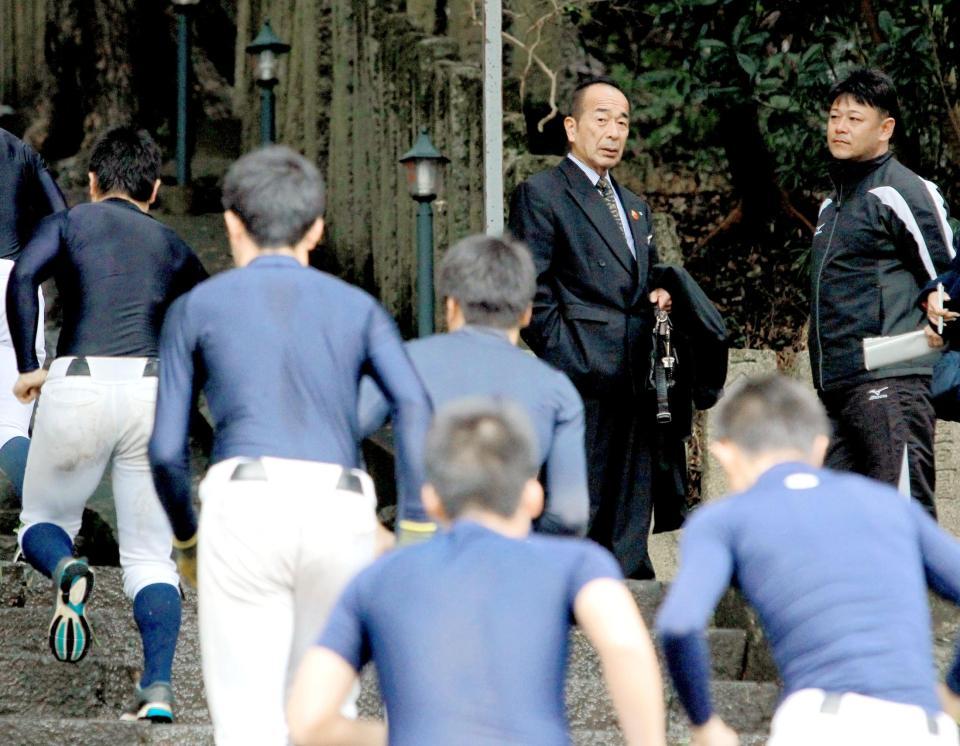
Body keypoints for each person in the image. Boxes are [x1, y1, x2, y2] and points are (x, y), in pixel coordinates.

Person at [148, 145, 432, 745]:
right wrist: (412, 532)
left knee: (249, 720)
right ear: (318, 229)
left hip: (244, 501)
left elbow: (166, 450)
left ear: (230, 224)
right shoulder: (359, 308)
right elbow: (414, 405)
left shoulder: (195, 308)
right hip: (340, 506)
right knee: (328, 718)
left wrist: (187, 539)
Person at [287, 397, 667, 746]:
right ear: (533, 496)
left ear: (431, 499)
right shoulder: (578, 563)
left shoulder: (377, 579)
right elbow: (625, 647)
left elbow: (308, 720)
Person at [7, 126, 208, 721]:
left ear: (93, 182)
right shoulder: (173, 245)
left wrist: (27, 367)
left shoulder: (68, 224)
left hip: (78, 380)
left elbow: (22, 280)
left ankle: (68, 568)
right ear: (155, 188)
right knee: (150, 557)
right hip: (150, 391)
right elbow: (199, 327)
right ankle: (159, 690)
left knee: (42, 521)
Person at [656, 374, 960, 746]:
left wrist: (705, 723)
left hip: (822, 722)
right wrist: (953, 691)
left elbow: (679, 624)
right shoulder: (891, 507)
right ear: (819, 448)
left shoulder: (724, 519)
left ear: (725, 452)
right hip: (924, 727)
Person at [508, 75, 672, 578]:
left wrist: (661, 294)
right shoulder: (542, 193)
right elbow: (530, 290)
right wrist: (572, 358)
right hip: (581, 370)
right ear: (572, 127)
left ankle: (627, 588)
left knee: (629, 498)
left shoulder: (634, 205)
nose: (614, 131)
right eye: (601, 118)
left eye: (622, 120)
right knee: (579, 495)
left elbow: (641, 277)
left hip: (635, 372)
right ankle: (566, 598)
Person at [358, 233, 588, 535]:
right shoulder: (557, 389)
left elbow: (335, 433)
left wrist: (373, 530)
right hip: (512, 559)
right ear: (526, 312)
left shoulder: (404, 363)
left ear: (451, 306)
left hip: (419, 548)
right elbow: (570, 515)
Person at [809, 67, 954, 516]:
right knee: (840, 525)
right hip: (836, 388)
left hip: (892, 382)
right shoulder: (832, 205)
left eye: (854, 118)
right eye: (835, 116)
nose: (841, 126)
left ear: (885, 128)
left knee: (902, 519)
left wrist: (935, 338)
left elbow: (949, 277)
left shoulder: (902, 189)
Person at [0, 128, 66, 498]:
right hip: (17, 284)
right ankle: (51, 517)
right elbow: (62, 219)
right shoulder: (19, 149)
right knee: (9, 427)